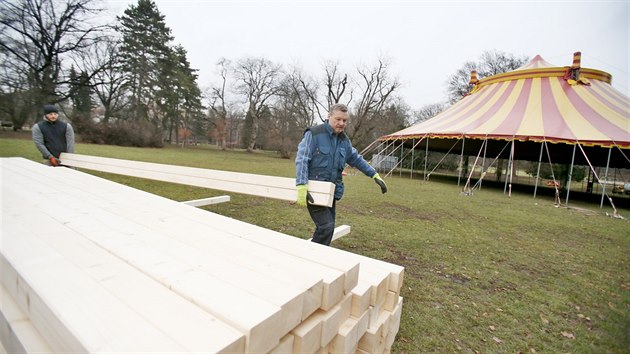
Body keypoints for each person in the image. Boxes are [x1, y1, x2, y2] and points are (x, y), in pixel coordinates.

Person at [295, 103, 387, 246]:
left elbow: (356, 159)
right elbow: (302, 159)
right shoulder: (314, 134)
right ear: (329, 116)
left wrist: (374, 175)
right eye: (338, 119)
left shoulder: (344, 141)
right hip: (314, 190)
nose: (341, 123)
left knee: (328, 228)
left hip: (332, 192)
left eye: (344, 120)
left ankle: (318, 255)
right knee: (326, 227)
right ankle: (312, 256)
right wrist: (301, 185)